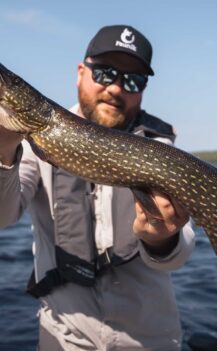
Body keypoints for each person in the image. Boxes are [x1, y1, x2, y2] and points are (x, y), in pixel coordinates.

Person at [0, 25, 195, 350]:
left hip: (151, 342)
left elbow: (180, 254)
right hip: (63, 338)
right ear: (81, 72)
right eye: (105, 73)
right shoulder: (33, 141)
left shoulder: (160, 147)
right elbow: (2, 216)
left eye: (132, 80)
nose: (116, 88)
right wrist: (3, 152)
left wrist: (164, 239)